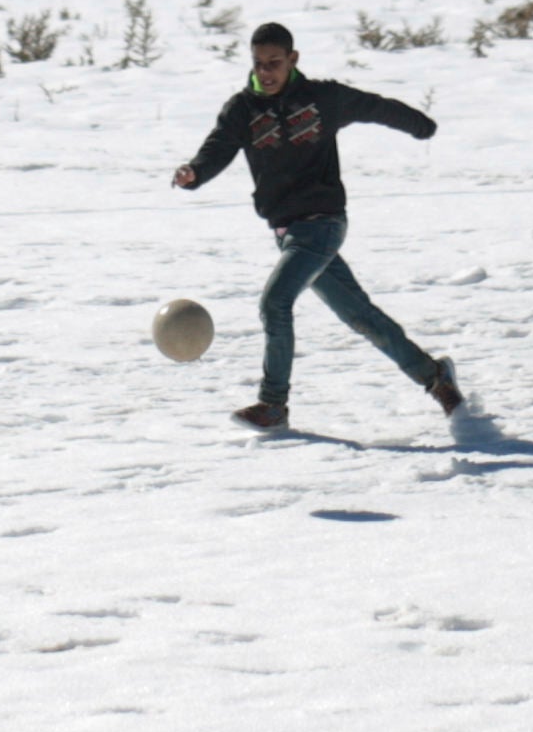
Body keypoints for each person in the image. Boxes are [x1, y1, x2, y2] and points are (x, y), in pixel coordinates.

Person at [171, 22, 460, 432]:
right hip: (288, 233)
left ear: (293, 60)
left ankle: (273, 404)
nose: (266, 72)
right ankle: (436, 378)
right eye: (258, 64)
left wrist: (420, 125)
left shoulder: (322, 98)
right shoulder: (243, 109)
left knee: (275, 303)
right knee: (361, 317)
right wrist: (194, 173)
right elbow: (217, 147)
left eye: (275, 63)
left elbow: (374, 106)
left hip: (322, 225)